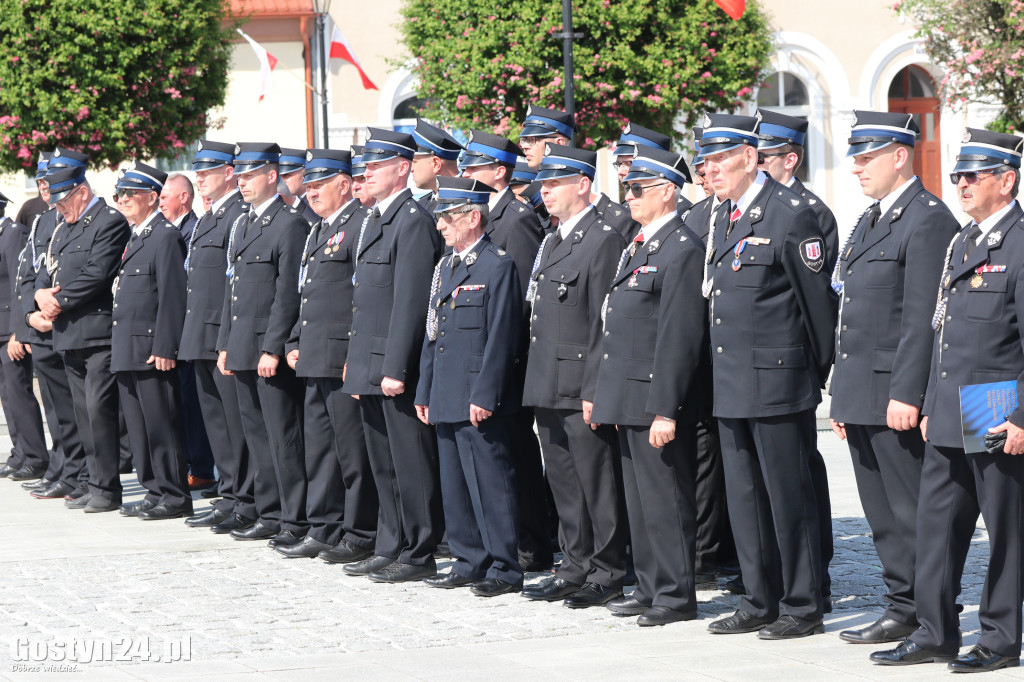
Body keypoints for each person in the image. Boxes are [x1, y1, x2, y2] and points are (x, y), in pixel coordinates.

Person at [871, 128, 1024, 672]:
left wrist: (1020, 417)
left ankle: (1001, 638)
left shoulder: (1021, 242)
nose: (959, 183)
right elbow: (944, 330)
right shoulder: (963, 241)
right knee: (936, 523)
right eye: (957, 175)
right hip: (952, 401)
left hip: (994, 400)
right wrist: (932, 397)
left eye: (972, 175)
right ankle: (935, 631)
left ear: (1005, 181)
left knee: (1002, 526)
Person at [699, 114, 837, 639]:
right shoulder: (725, 217)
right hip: (731, 380)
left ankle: (802, 604)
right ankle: (760, 599)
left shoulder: (789, 214)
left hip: (779, 383)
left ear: (751, 158)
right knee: (746, 500)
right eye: (706, 160)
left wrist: (813, 376)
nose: (710, 169)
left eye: (720, 159)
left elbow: (817, 310)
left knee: (788, 497)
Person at [829, 111, 957, 645]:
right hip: (861, 392)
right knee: (881, 514)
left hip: (894, 396)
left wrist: (908, 392)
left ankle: (931, 617)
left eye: (866, 156)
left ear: (899, 156)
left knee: (912, 514)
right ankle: (902, 605)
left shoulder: (927, 219)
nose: (856, 166)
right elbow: (851, 312)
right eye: (855, 157)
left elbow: (923, 316)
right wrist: (840, 393)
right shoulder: (870, 219)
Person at [591, 145, 709, 626]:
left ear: (667, 192)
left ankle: (676, 595)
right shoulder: (640, 244)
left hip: (654, 397)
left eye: (637, 189)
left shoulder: (681, 248)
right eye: (627, 188)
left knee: (664, 499)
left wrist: (666, 409)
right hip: (626, 393)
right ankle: (648, 583)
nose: (629, 196)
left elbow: (678, 336)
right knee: (639, 502)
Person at [520, 144, 628, 609]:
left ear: (583, 184)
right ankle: (575, 564)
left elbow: (605, 321)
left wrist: (596, 387)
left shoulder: (603, 239)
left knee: (596, 482)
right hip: (547, 378)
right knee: (563, 481)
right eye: (543, 185)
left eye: (554, 184)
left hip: (581, 379)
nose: (545, 192)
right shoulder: (554, 238)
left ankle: (610, 569)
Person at [342, 128, 444, 583]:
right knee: (382, 462)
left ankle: (419, 550)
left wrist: (396, 367)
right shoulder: (377, 218)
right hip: (371, 360)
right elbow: (366, 298)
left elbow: (411, 301)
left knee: (411, 463)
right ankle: (390, 542)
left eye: (377, 164)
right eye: (366, 164)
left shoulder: (413, 220)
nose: (367, 170)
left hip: (394, 366)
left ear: (402, 168)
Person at [416, 176, 524, 596]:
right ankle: (468, 559)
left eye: (448, 217)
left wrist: (486, 393)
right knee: (455, 483)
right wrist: (424, 390)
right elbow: (433, 334)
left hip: (477, 393)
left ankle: (504, 567)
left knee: (489, 483)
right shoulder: (446, 267)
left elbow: (502, 337)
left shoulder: (497, 265)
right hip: (444, 389)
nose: (441, 225)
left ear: (473, 217)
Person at [458, 129, 552, 571]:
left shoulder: (516, 219)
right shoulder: (488, 215)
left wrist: (507, 361)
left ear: (499, 171)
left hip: (510, 360)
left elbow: (522, 297)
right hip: (489, 358)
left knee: (517, 454)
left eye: (474, 168)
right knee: (505, 455)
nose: (467, 175)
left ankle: (533, 539)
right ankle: (517, 536)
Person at [756, 108, 836, 609]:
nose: (758, 165)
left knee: (800, 479)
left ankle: (815, 578)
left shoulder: (808, 211)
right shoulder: (756, 208)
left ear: (790, 159)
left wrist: (817, 367)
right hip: (759, 372)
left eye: (764, 157)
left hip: (791, 370)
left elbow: (817, 300)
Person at [281, 149, 378, 562]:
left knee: (351, 451)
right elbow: (310, 292)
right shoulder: (319, 229)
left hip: (342, 357)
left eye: (319, 186)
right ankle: (324, 526)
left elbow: (362, 298)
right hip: (314, 355)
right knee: (320, 449)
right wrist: (294, 339)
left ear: (343, 184)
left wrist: (354, 355)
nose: (311, 193)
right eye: (309, 187)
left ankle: (359, 532)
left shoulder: (360, 225)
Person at [217, 142, 308, 548]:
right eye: (238, 176)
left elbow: (288, 294)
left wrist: (273, 348)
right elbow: (232, 289)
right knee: (255, 435)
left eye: (249, 175)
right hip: (241, 346)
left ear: (272, 176)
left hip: (268, 352)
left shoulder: (288, 224)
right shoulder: (243, 223)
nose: (242, 182)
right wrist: (224, 343)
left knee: (282, 436)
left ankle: (295, 517)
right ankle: (269, 512)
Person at [32, 156, 131, 513]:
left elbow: (97, 273)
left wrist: (57, 303)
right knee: (83, 416)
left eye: (62, 200)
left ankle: (108, 488)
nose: (58, 207)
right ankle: (94, 482)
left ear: (82, 192)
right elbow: (47, 270)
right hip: (69, 334)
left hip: (97, 334)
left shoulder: (109, 221)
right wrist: (40, 296)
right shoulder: (63, 227)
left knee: (99, 411)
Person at [178, 140, 254, 533]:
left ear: (230, 173)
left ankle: (245, 496)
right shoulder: (209, 218)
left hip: (221, 336)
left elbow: (233, 288)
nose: (200, 178)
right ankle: (229, 493)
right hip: (200, 335)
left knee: (234, 423)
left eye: (208, 172)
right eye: (198, 172)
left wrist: (227, 337)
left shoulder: (238, 216)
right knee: (215, 423)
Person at [110, 162, 190, 520]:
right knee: (139, 428)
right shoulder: (138, 235)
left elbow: (172, 297)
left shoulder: (165, 235)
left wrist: (165, 346)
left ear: (152, 197)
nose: (122, 199)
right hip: (127, 347)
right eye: (120, 194)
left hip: (150, 349)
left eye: (130, 194)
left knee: (161, 425)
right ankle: (153, 488)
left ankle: (174, 495)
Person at [16, 153, 89, 500]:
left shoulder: (78, 218)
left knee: (76, 410)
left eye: (52, 182)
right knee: (56, 410)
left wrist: (47, 309)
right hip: (41, 326)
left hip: (64, 324)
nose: (46, 189)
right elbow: (32, 274)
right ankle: (62, 469)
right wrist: (31, 314)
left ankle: (77, 472)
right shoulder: (43, 221)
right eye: (43, 182)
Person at [159, 171, 216, 492]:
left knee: (195, 407)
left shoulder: (192, 230)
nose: (160, 203)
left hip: (191, 332)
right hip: (180, 332)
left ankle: (203, 468)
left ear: (183, 198)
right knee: (182, 404)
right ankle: (193, 464)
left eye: (165, 197)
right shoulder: (174, 231)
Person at [0, 191, 48, 482]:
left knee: (19, 393)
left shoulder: (14, 234)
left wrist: (20, 330)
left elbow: (20, 286)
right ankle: (20, 453)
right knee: (7, 395)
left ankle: (36, 456)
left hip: (10, 328)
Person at [756, 109, 839, 268]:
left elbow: (816, 283)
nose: (754, 164)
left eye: (761, 157)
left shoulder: (814, 211)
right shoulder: (751, 203)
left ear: (789, 161)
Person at [411, 118, 462, 214]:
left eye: (414, 162)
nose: (411, 169)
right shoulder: (421, 206)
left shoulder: (471, 201)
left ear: (436, 164)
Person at [277, 148, 319, 226]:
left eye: (287, 175)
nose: (282, 181)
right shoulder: (279, 200)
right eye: (279, 177)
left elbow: (316, 225)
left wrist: (294, 202)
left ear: (304, 175)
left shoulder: (317, 199)